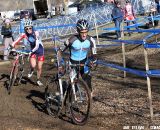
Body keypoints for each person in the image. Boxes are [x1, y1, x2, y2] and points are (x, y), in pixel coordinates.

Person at [59, 19, 97, 97]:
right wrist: (61, 63)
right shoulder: (71, 40)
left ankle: (90, 99)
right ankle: (66, 95)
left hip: (84, 63)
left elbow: (94, 54)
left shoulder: (91, 40)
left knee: (88, 80)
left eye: (86, 32)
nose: (84, 35)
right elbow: (60, 51)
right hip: (73, 63)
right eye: (82, 32)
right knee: (73, 86)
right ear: (78, 31)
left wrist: (93, 61)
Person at [11, 20, 44, 86]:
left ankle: (38, 80)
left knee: (39, 67)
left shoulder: (36, 33)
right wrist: (11, 46)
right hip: (33, 51)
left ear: (32, 27)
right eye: (26, 28)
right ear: (25, 29)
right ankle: (32, 70)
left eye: (30, 28)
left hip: (40, 50)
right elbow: (16, 41)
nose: (28, 30)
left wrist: (31, 52)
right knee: (33, 65)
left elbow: (37, 45)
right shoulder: (24, 34)